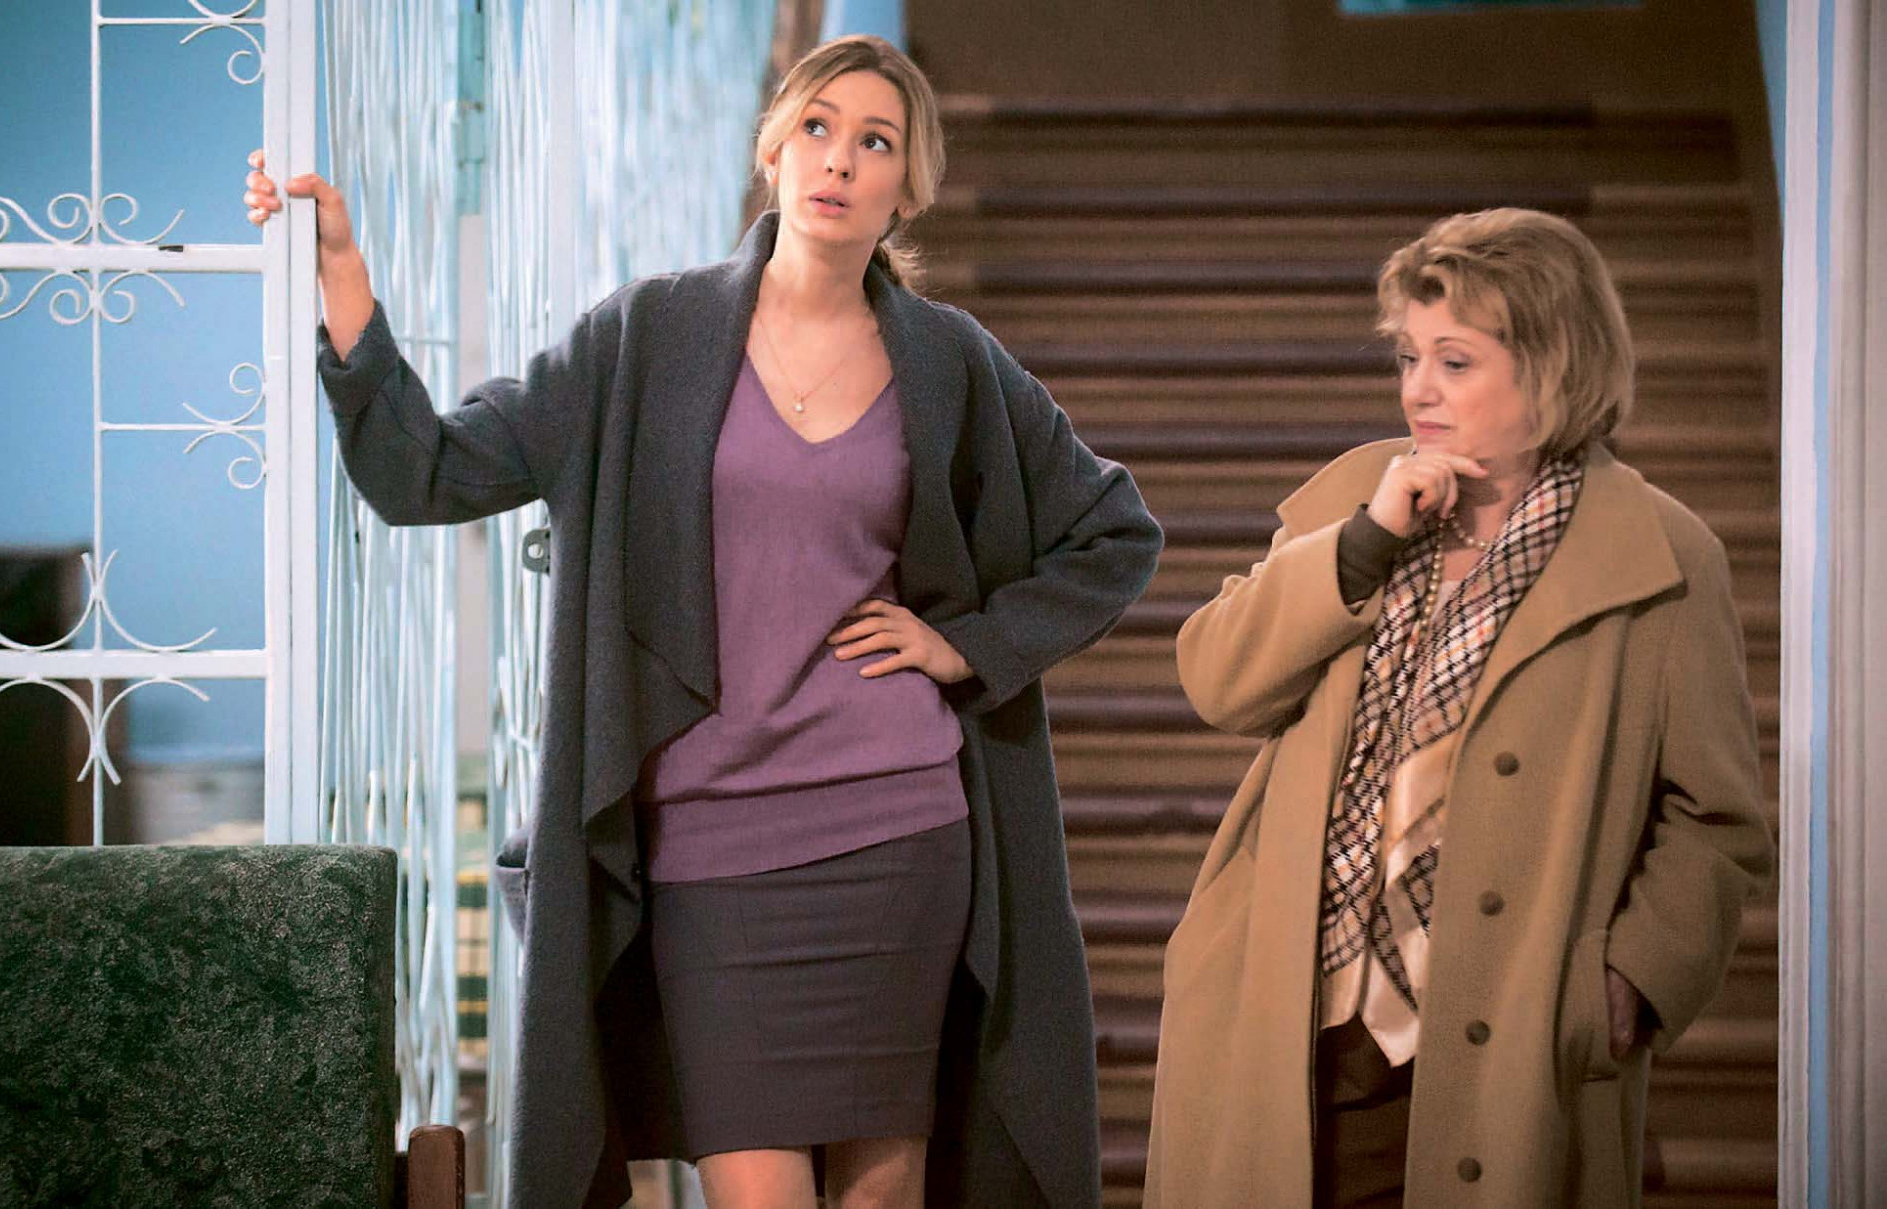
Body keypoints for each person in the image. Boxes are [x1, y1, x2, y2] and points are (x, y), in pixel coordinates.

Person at [244, 35, 1160, 1209]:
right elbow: (431, 471)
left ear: (906, 188)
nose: (838, 160)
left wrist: (965, 647)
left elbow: (1112, 531)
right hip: (707, 849)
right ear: (772, 149)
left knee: (880, 1198)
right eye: (816, 127)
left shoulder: (947, 362)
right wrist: (342, 278)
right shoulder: (648, 337)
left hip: (897, 833)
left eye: (875, 142)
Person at [1144, 208, 1772, 1208]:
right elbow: (1218, 681)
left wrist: (1629, 985)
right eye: (1409, 356)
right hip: (1289, 1024)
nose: (1417, 389)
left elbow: (1716, 820)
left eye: (1454, 361)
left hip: (1505, 1043)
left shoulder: (1661, 553)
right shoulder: (1358, 497)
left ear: (1551, 364)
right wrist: (1363, 542)